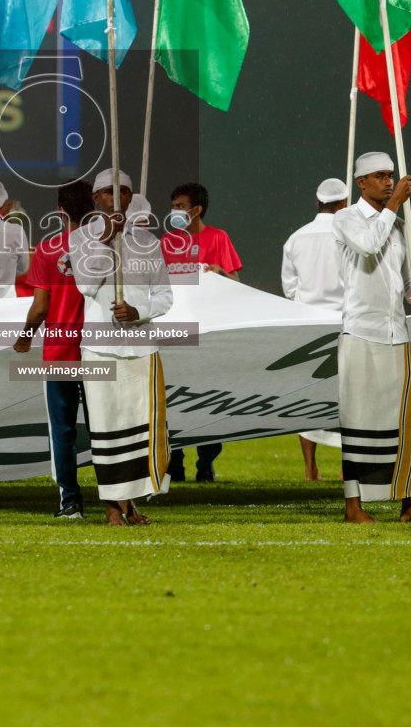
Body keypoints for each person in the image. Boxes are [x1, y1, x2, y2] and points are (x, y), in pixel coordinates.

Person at [332, 152, 411, 523]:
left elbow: (408, 276)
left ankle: (410, 504)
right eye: (380, 176)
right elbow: (368, 246)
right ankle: (353, 507)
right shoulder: (346, 218)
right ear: (361, 182)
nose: (389, 182)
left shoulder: (399, 223)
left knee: (407, 417)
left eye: (391, 175)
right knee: (359, 417)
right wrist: (392, 206)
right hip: (361, 331)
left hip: (397, 332)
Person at [70, 169, 174, 525]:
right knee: (106, 428)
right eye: (109, 193)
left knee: (139, 429)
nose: (117, 198)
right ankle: (113, 507)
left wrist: (139, 312)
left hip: (141, 350)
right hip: (100, 348)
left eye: (124, 192)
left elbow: (164, 296)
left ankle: (131, 503)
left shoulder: (148, 242)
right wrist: (106, 237)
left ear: (131, 198)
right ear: (96, 198)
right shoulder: (81, 237)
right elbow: (85, 283)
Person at [14, 180, 93, 518]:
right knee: (103, 426)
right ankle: (117, 501)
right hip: (97, 351)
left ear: (60, 212)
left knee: (62, 430)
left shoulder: (47, 250)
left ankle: (71, 501)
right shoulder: (107, 248)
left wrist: (25, 336)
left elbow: (41, 307)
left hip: (60, 352)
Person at [160, 182, 241, 482]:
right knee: (175, 400)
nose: (174, 211)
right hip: (176, 332)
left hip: (209, 332)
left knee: (207, 399)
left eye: (180, 206)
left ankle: (206, 462)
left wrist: (219, 273)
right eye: (173, 205)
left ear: (197, 210)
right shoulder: (167, 243)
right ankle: (175, 462)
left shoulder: (218, 238)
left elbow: (236, 282)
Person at [282, 177, 349, 480]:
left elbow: (289, 288)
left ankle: (310, 468)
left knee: (307, 397)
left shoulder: (296, 238)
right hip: (345, 322)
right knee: (347, 396)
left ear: (317, 200)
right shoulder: (351, 236)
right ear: (345, 203)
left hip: (308, 325)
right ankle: (347, 467)